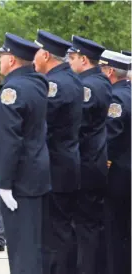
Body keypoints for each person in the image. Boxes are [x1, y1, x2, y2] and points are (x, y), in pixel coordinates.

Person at [0, 33, 51, 274]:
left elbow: (9, 141)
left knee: (21, 249)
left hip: (20, 180)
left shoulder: (12, 90)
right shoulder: (38, 82)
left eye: (2, 56)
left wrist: (4, 183)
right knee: (34, 246)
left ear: (12, 60)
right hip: (37, 173)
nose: (0, 61)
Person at [32, 30, 83, 274]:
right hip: (66, 164)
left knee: (55, 233)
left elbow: (41, 123)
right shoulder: (70, 79)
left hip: (55, 167)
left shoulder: (55, 84)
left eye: (36, 53)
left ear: (46, 54)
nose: (33, 59)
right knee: (62, 229)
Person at [67, 35, 112, 274]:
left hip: (85, 163)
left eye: (72, 58)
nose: (69, 63)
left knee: (85, 226)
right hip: (94, 161)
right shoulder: (101, 81)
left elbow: (77, 124)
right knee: (91, 224)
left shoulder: (88, 86)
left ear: (84, 59)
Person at [99, 50, 131, 274]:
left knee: (114, 232)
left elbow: (109, 138)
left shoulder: (116, 98)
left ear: (110, 71)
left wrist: (101, 166)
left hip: (118, 175)